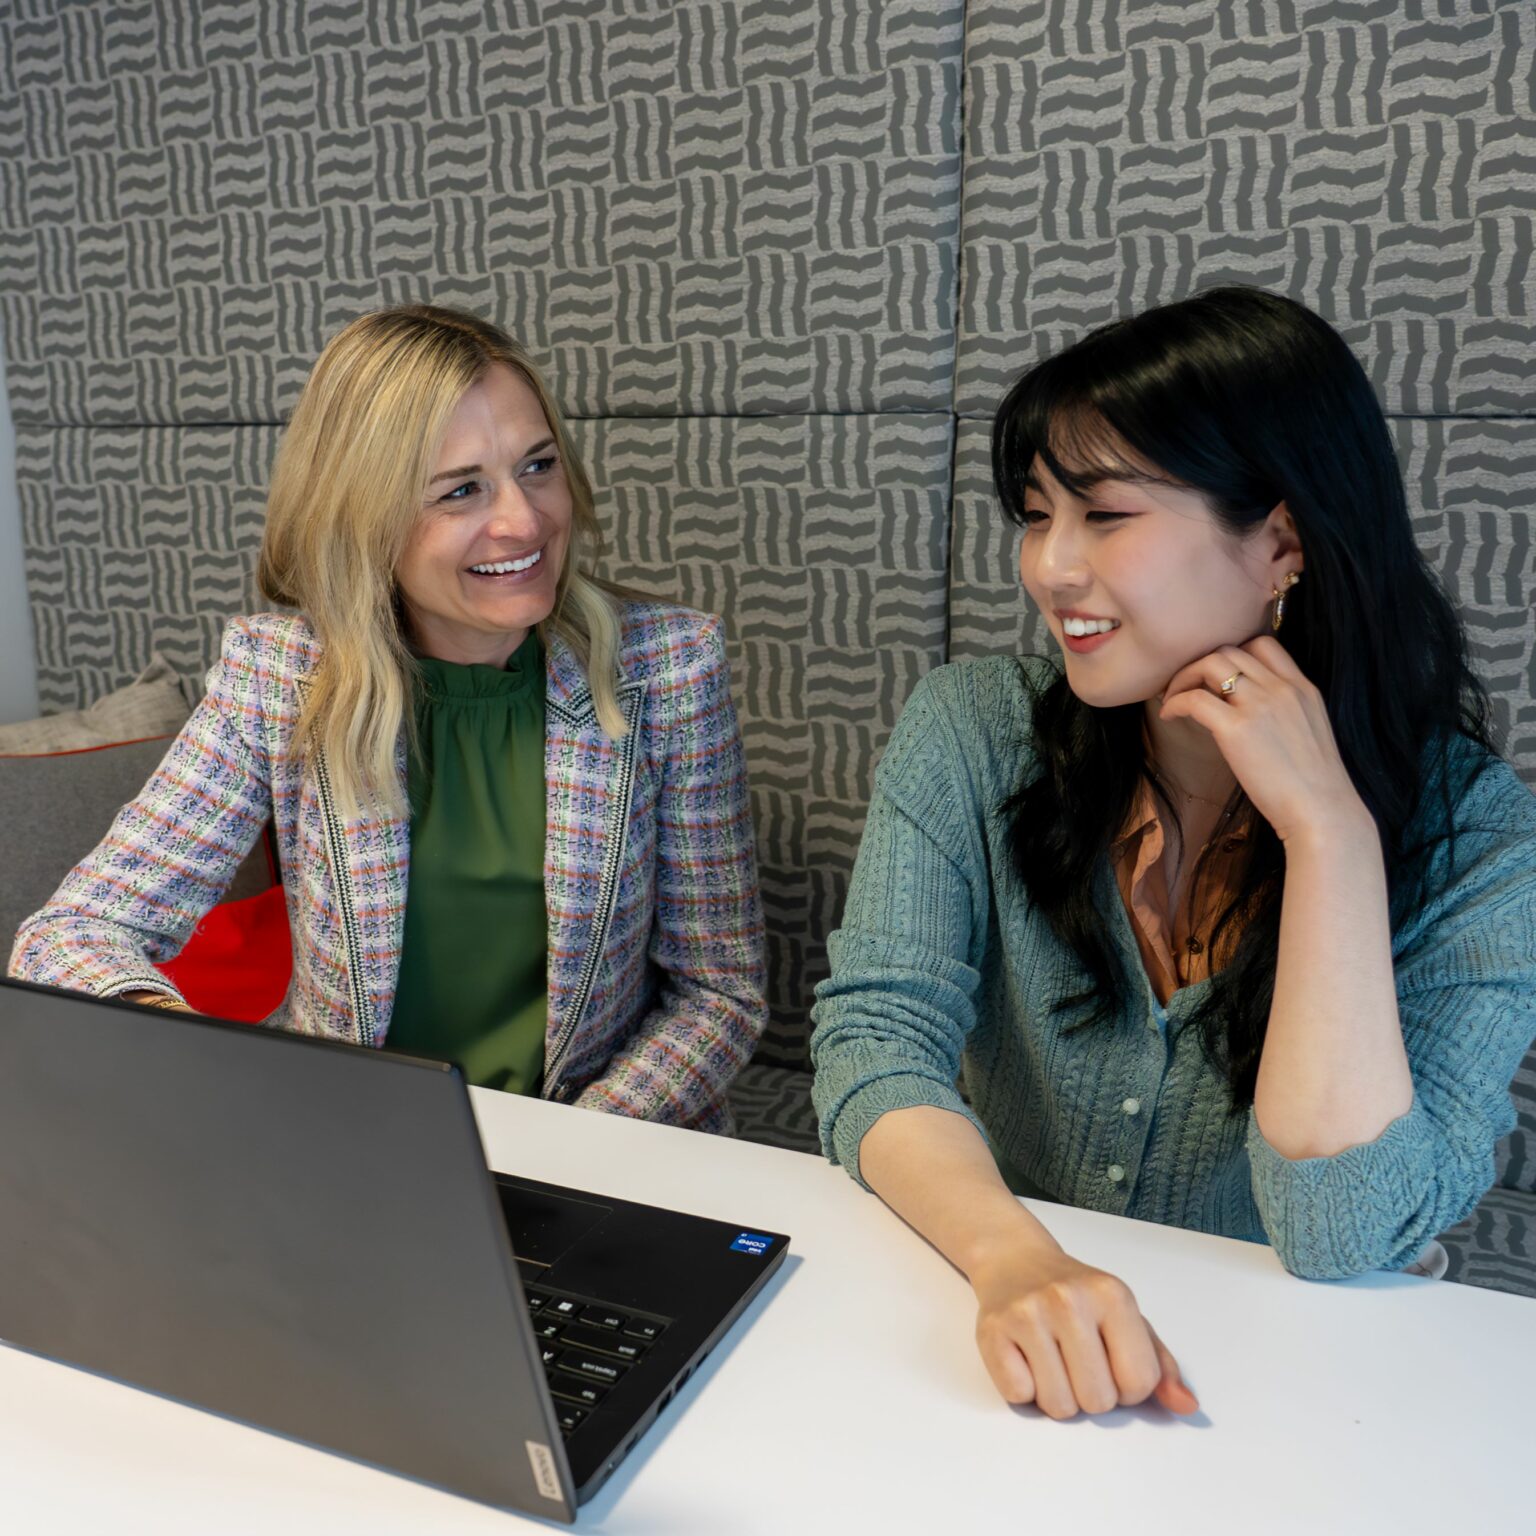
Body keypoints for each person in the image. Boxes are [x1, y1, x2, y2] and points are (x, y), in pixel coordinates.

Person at [810, 287, 1536, 1419]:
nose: (1048, 567)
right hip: (999, 1321)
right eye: (1035, 513)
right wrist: (1014, 1255)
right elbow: (875, 1041)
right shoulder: (971, 728)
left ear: (1282, 541)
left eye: (1104, 516)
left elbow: (1338, 1231)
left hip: (1296, 1391)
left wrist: (1330, 835)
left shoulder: (1475, 834)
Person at [10, 305, 766, 1131]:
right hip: (349, 1152)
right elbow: (72, 935)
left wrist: (577, 1149)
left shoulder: (667, 668)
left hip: (605, 1155)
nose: (525, 519)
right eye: (462, 489)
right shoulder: (281, 676)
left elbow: (718, 990)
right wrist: (191, 1052)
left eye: (538, 465)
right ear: (366, 518)